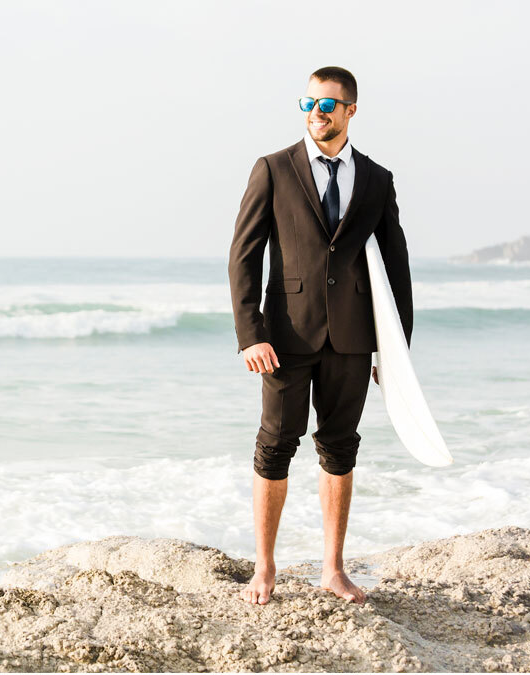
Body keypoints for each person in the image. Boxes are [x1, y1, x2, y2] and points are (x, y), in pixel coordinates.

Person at [227, 66, 413, 606]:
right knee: (274, 446)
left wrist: (395, 349)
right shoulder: (273, 169)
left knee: (340, 448)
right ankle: (264, 569)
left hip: (354, 338)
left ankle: (333, 568)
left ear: (350, 110)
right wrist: (249, 334)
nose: (317, 114)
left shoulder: (377, 179)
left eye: (328, 106)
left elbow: (396, 266)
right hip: (283, 337)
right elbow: (244, 256)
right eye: (308, 104)